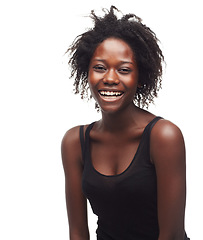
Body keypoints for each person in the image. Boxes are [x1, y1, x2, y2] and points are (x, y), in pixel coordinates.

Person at [61, 6, 190, 240]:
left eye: (123, 70)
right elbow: (78, 233)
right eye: (100, 68)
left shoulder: (163, 136)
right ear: (86, 72)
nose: (110, 78)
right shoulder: (75, 142)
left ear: (139, 77)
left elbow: (171, 236)